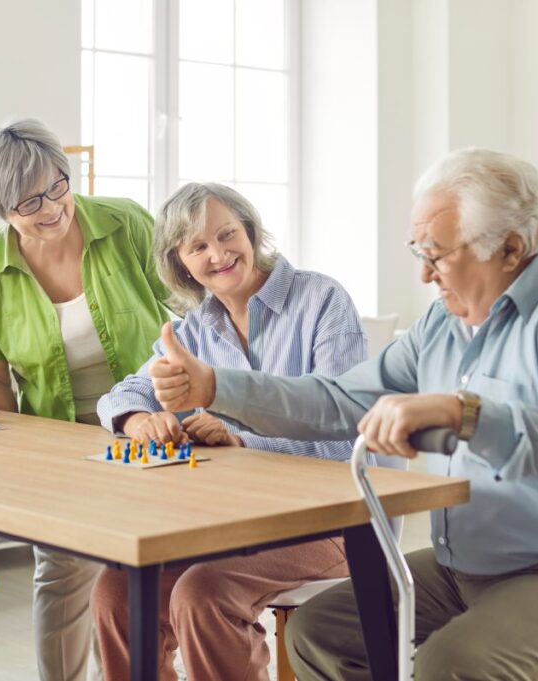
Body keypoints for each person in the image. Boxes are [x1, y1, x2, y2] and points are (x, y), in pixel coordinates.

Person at [147, 149, 538, 681]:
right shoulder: (444, 320)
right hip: (467, 563)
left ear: (511, 248)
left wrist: (466, 416)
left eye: (437, 253)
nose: (422, 273)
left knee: (452, 664)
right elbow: (341, 401)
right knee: (320, 634)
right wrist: (217, 386)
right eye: (418, 250)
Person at [91, 182, 367, 681]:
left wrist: (242, 439)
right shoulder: (196, 327)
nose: (218, 254)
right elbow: (122, 393)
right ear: (180, 262)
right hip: (234, 519)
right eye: (198, 246)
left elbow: (347, 439)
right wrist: (137, 420)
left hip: (338, 521)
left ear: (251, 231)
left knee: (204, 594)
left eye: (226, 235)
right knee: (118, 592)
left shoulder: (322, 299)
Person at [0, 119, 171, 681]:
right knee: (62, 570)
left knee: (142, 571)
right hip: (57, 434)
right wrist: (11, 458)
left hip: (149, 421)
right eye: (29, 202)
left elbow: (196, 310)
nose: (52, 207)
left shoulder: (126, 224)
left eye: (58, 186)